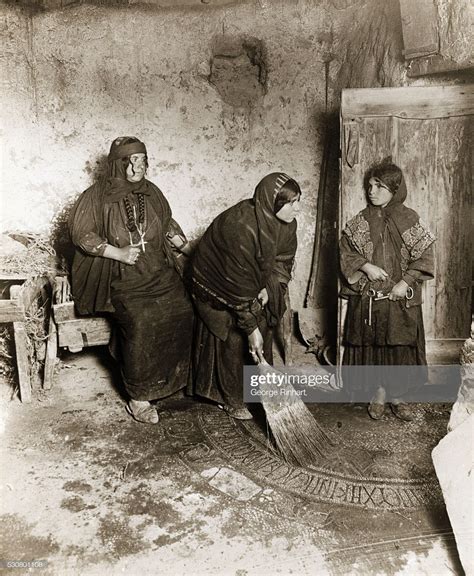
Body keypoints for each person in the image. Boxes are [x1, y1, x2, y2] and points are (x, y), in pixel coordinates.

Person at [69, 136, 193, 424]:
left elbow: (167, 225)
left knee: (184, 310)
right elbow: (82, 235)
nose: (138, 167)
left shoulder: (153, 193)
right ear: (117, 164)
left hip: (156, 269)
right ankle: (139, 396)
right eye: (131, 161)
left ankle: (170, 381)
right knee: (143, 320)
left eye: (142, 160)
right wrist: (119, 253)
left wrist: (190, 250)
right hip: (119, 273)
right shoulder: (96, 195)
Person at [190, 172, 301, 420]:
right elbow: (236, 286)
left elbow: (282, 263)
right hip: (214, 286)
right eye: (291, 203)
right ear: (272, 203)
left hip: (250, 282)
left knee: (265, 320)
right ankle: (230, 396)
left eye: (298, 201)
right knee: (235, 333)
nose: (297, 209)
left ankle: (261, 392)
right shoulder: (240, 228)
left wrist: (268, 287)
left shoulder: (287, 224)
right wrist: (251, 329)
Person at [340, 158, 435, 420]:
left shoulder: (409, 218)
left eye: (379, 186)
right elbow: (346, 254)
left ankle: (398, 394)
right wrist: (367, 267)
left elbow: (425, 255)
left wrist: (405, 283)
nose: (372, 191)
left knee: (399, 346)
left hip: (400, 299)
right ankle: (379, 392)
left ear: (394, 189)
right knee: (376, 346)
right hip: (372, 299)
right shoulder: (360, 221)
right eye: (370, 185)